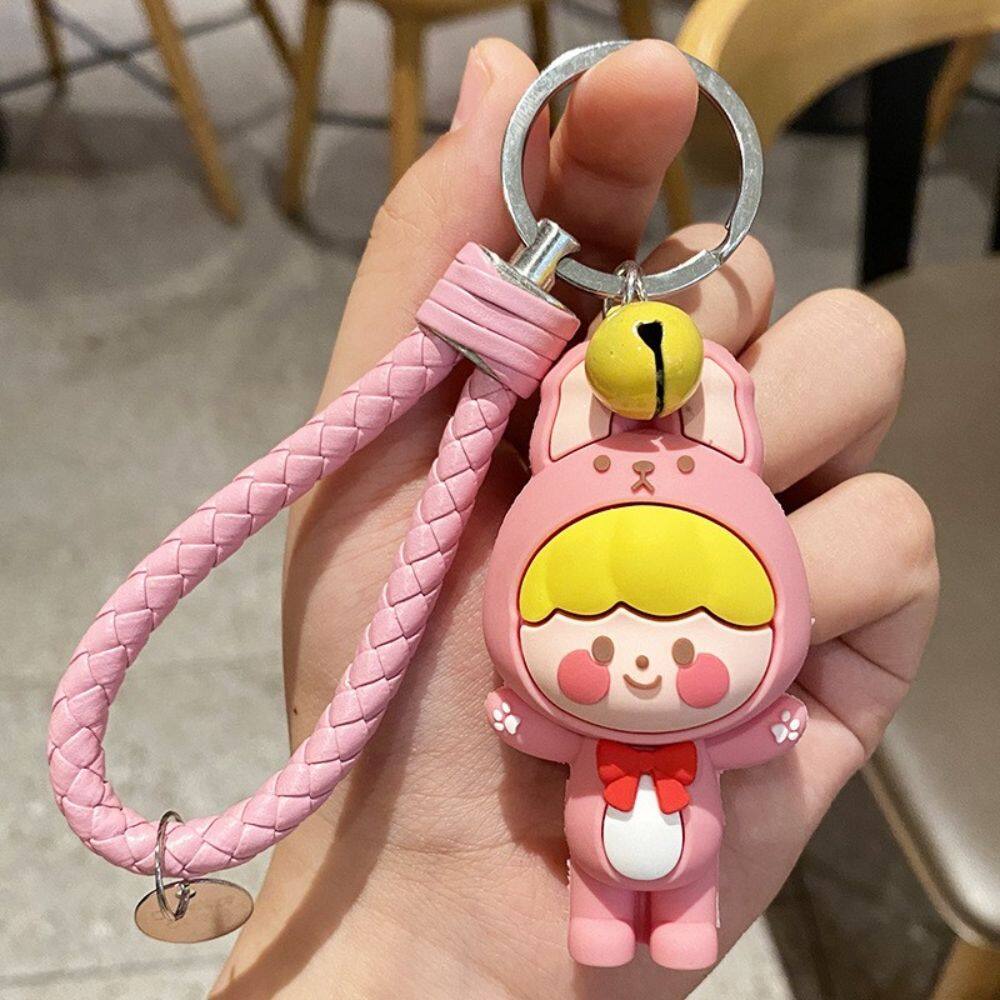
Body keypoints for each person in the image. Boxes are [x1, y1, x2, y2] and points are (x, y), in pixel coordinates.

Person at [212, 38, 939, 998]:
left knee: (683, 906)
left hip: (670, 844)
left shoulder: (689, 707)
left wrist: (767, 728)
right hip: (554, 855)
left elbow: (738, 730)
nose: (642, 665)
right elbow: (543, 730)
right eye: (598, 637)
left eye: (691, 644)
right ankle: (605, 923)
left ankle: (677, 926)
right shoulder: (589, 692)